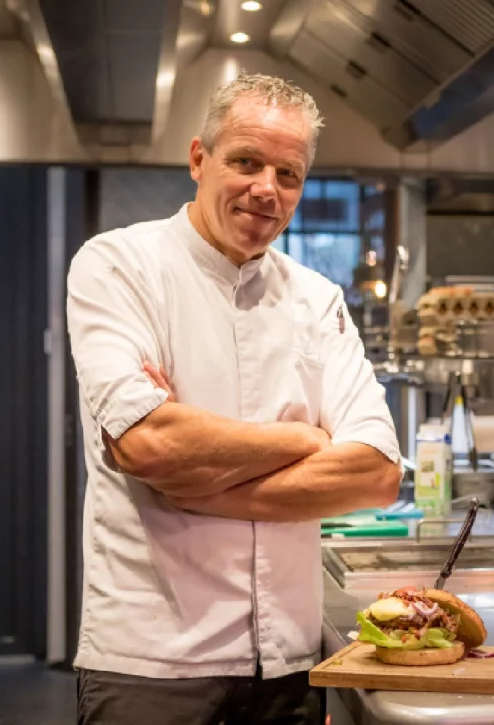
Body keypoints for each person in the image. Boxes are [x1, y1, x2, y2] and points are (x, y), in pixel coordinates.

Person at [66, 73, 402, 724]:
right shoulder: (118, 267)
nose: (266, 189)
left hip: (290, 667)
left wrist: (197, 488)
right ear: (199, 159)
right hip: (152, 665)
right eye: (246, 161)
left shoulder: (318, 299)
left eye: (289, 173)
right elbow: (151, 443)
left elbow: (378, 472)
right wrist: (305, 441)